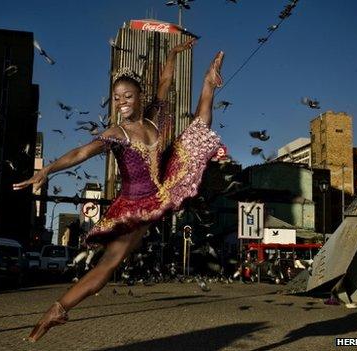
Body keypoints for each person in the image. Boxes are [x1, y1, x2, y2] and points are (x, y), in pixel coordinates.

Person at [13, 38, 224, 342]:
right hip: (136, 204)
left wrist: (173, 54)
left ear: (140, 97)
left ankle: (208, 82)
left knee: (198, 129)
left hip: (161, 187)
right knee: (107, 268)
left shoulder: (155, 118)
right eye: (116, 97)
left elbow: (165, 81)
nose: (121, 101)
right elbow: (80, 154)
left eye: (127, 95)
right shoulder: (117, 134)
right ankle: (56, 310)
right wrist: (46, 169)